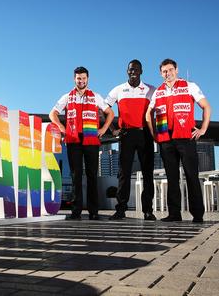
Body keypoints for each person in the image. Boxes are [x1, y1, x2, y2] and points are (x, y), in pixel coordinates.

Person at [145, 58, 211, 223]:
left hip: (186, 138)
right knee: (172, 178)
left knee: (191, 176)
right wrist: (154, 135)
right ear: (161, 74)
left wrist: (203, 129)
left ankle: (198, 214)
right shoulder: (158, 91)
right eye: (164, 71)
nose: (168, 73)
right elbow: (148, 114)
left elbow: (206, 106)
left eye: (170, 70)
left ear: (177, 70)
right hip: (166, 140)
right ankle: (174, 214)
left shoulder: (190, 86)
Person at [50, 66, 114, 220]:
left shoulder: (96, 96)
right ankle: (76, 211)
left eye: (84, 78)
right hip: (73, 140)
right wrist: (61, 127)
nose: (81, 81)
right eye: (79, 78)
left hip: (91, 140)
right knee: (75, 176)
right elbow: (52, 113)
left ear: (88, 79)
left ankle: (94, 212)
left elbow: (110, 113)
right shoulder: (67, 97)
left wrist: (104, 129)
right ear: (74, 79)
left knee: (92, 175)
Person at [105, 60, 156, 221]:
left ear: (142, 71)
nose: (133, 71)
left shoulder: (151, 90)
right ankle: (121, 209)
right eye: (130, 69)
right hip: (126, 135)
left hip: (145, 134)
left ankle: (148, 210)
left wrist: (157, 133)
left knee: (148, 173)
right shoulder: (118, 89)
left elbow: (161, 111)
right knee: (123, 173)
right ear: (127, 71)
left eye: (136, 69)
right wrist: (112, 129)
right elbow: (103, 109)